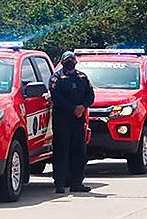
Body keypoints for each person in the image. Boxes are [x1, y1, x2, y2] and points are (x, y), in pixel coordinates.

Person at [49, 51, 95, 194]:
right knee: (61, 151)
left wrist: (83, 107)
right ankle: (60, 183)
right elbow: (56, 97)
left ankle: (77, 183)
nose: (70, 63)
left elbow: (90, 94)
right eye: (67, 60)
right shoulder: (56, 78)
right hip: (62, 119)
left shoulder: (82, 77)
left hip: (78, 120)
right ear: (62, 62)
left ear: (75, 62)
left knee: (79, 151)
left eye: (72, 60)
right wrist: (72, 108)